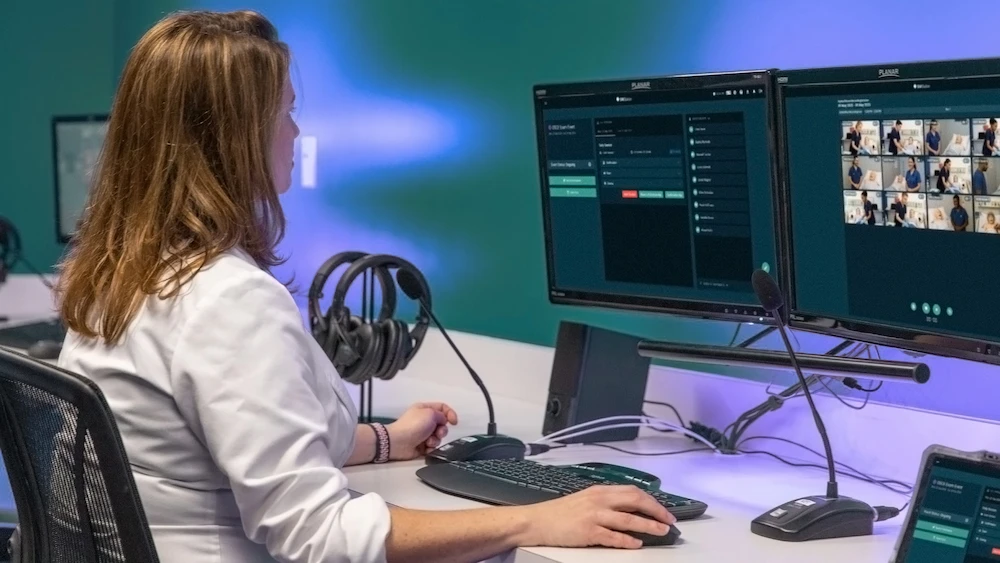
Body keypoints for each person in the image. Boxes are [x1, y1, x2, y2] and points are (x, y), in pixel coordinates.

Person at [52, 10, 675, 563]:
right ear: (234, 139)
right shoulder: (227, 301)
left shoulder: (124, 274)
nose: (295, 134)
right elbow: (316, 534)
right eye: (286, 112)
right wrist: (536, 520)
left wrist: (385, 440)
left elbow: (233, 444)